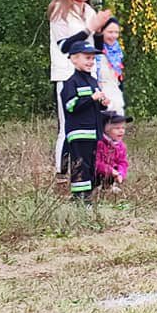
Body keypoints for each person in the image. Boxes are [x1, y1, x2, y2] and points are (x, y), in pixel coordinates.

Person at [48, 0, 111, 175]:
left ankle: (86, 171)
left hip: (89, 73)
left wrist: (100, 31)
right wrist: (89, 28)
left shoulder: (89, 11)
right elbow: (66, 46)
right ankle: (61, 171)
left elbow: (96, 46)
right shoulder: (59, 11)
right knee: (68, 124)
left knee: (91, 121)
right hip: (66, 73)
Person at [60, 40, 108, 202]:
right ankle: (79, 197)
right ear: (74, 59)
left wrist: (102, 103)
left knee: (91, 164)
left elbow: (94, 108)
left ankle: (88, 196)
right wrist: (91, 98)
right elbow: (70, 105)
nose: (90, 62)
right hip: (79, 133)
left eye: (92, 59)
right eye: (87, 58)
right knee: (80, 164)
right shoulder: (71, 82)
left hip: (93, 133)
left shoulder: (93, 81)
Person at [95, 17, 126, 115]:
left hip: (115, 94)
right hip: (101, 97)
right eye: (110, 32)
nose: (114, 35)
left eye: (116, 32)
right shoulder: (94, 53)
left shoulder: (117, 52)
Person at [96, 112, 131, 192]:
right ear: (107, 130)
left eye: (123, 128)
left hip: (112, 175)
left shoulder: (121, 146)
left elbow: (122, 162)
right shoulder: (99, 143)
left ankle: (109, 186)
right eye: (117, 128)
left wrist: (120, 173)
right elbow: (96, 163)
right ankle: (97, 187)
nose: (121, 131)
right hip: (97, 175)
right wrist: (110, 170)